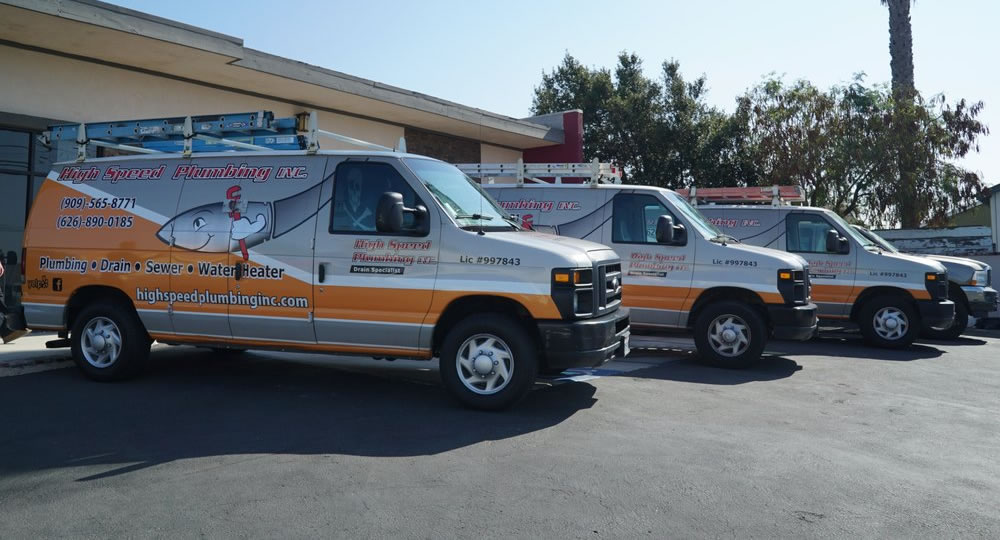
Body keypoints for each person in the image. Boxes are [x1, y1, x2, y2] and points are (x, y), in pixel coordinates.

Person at [333, 167, 376, 231]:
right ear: (347, 187)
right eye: (351, 186)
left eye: (357, 186)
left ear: (362, 188)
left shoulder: (370, 213)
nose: (354, 191)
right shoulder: (337, 209)